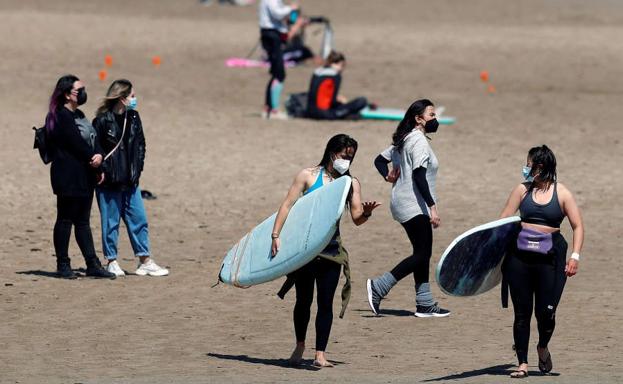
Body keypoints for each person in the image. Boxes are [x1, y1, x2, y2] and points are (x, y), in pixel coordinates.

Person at [271, 134, 380, 367]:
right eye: (344, 156)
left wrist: (368, 212)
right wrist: (275, 235)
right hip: (305, 249)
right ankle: (300, 347)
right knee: (303, 300)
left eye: (351, 157)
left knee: (325, 303)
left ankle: (320, 354)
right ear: (332, 153)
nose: (347, 161)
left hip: (331, 250)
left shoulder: (351, 183)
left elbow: (357, 218)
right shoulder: (307, 175)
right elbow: (287, 205)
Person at [499, 145, 584, 378]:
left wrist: (575, 256)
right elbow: (503, 220)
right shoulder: (522, 191)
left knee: (546, 313)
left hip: (551, 259)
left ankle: (542, 346)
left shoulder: (562, 193)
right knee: (522, 313)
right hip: (520, 257)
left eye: (529, 163)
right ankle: (523, 363)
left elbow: (577, 226)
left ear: (540, 167)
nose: (525, 168)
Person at [366, 99, 450, 317]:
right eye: (431, 115)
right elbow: (419, 176)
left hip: (403, 202)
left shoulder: (405, 139)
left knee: (422, 253)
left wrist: (387, 175)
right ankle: (379, 286)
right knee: (422, 254)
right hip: (414, 204)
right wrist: (433, 207)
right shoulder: (418, 142)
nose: (435, 119)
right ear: (419, 119)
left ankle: (424, 303)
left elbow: (378, 160)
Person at [92, 79, 169, 277]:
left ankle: (145, 260)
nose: (135, 99)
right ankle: (111, 261)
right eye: (132, 96)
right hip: (109, 182)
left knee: (139, 219)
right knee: (111, 222)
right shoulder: (102, 120)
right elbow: (96, 149)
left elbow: (141, 144)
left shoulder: (134, 117)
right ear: (122, 98)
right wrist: (104, 170)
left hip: (131, 181)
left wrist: (138, 169)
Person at [45, 75, 116, 279]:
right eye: (79, 90)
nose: (84, 93)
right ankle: (63, 264)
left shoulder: (80, 114)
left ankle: (92, 264)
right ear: (67, 94)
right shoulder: (59, 116)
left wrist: (99, 158)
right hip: (67, 175)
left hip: (85, 175)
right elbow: (74, 142)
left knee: (83, 221)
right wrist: (91, 157)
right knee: (65, 219)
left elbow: (92, 139)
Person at [259, 0, 305, 119]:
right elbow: (277, 14)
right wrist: (291, 8)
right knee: (279, 74)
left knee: (277, 74)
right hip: (271, 36)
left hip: (275, 35)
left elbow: (286, 18)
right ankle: (273, 110)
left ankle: (268, 108)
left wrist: (294, 13)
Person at [306, 51, 368, 120]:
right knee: (362, 101)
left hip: (309, 111)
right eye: (342, 65)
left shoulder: (317, 72)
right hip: (324, 113)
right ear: (337, 64)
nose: (342, 69)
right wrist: (341, 101)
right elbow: (332, 101)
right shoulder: (335, 76)